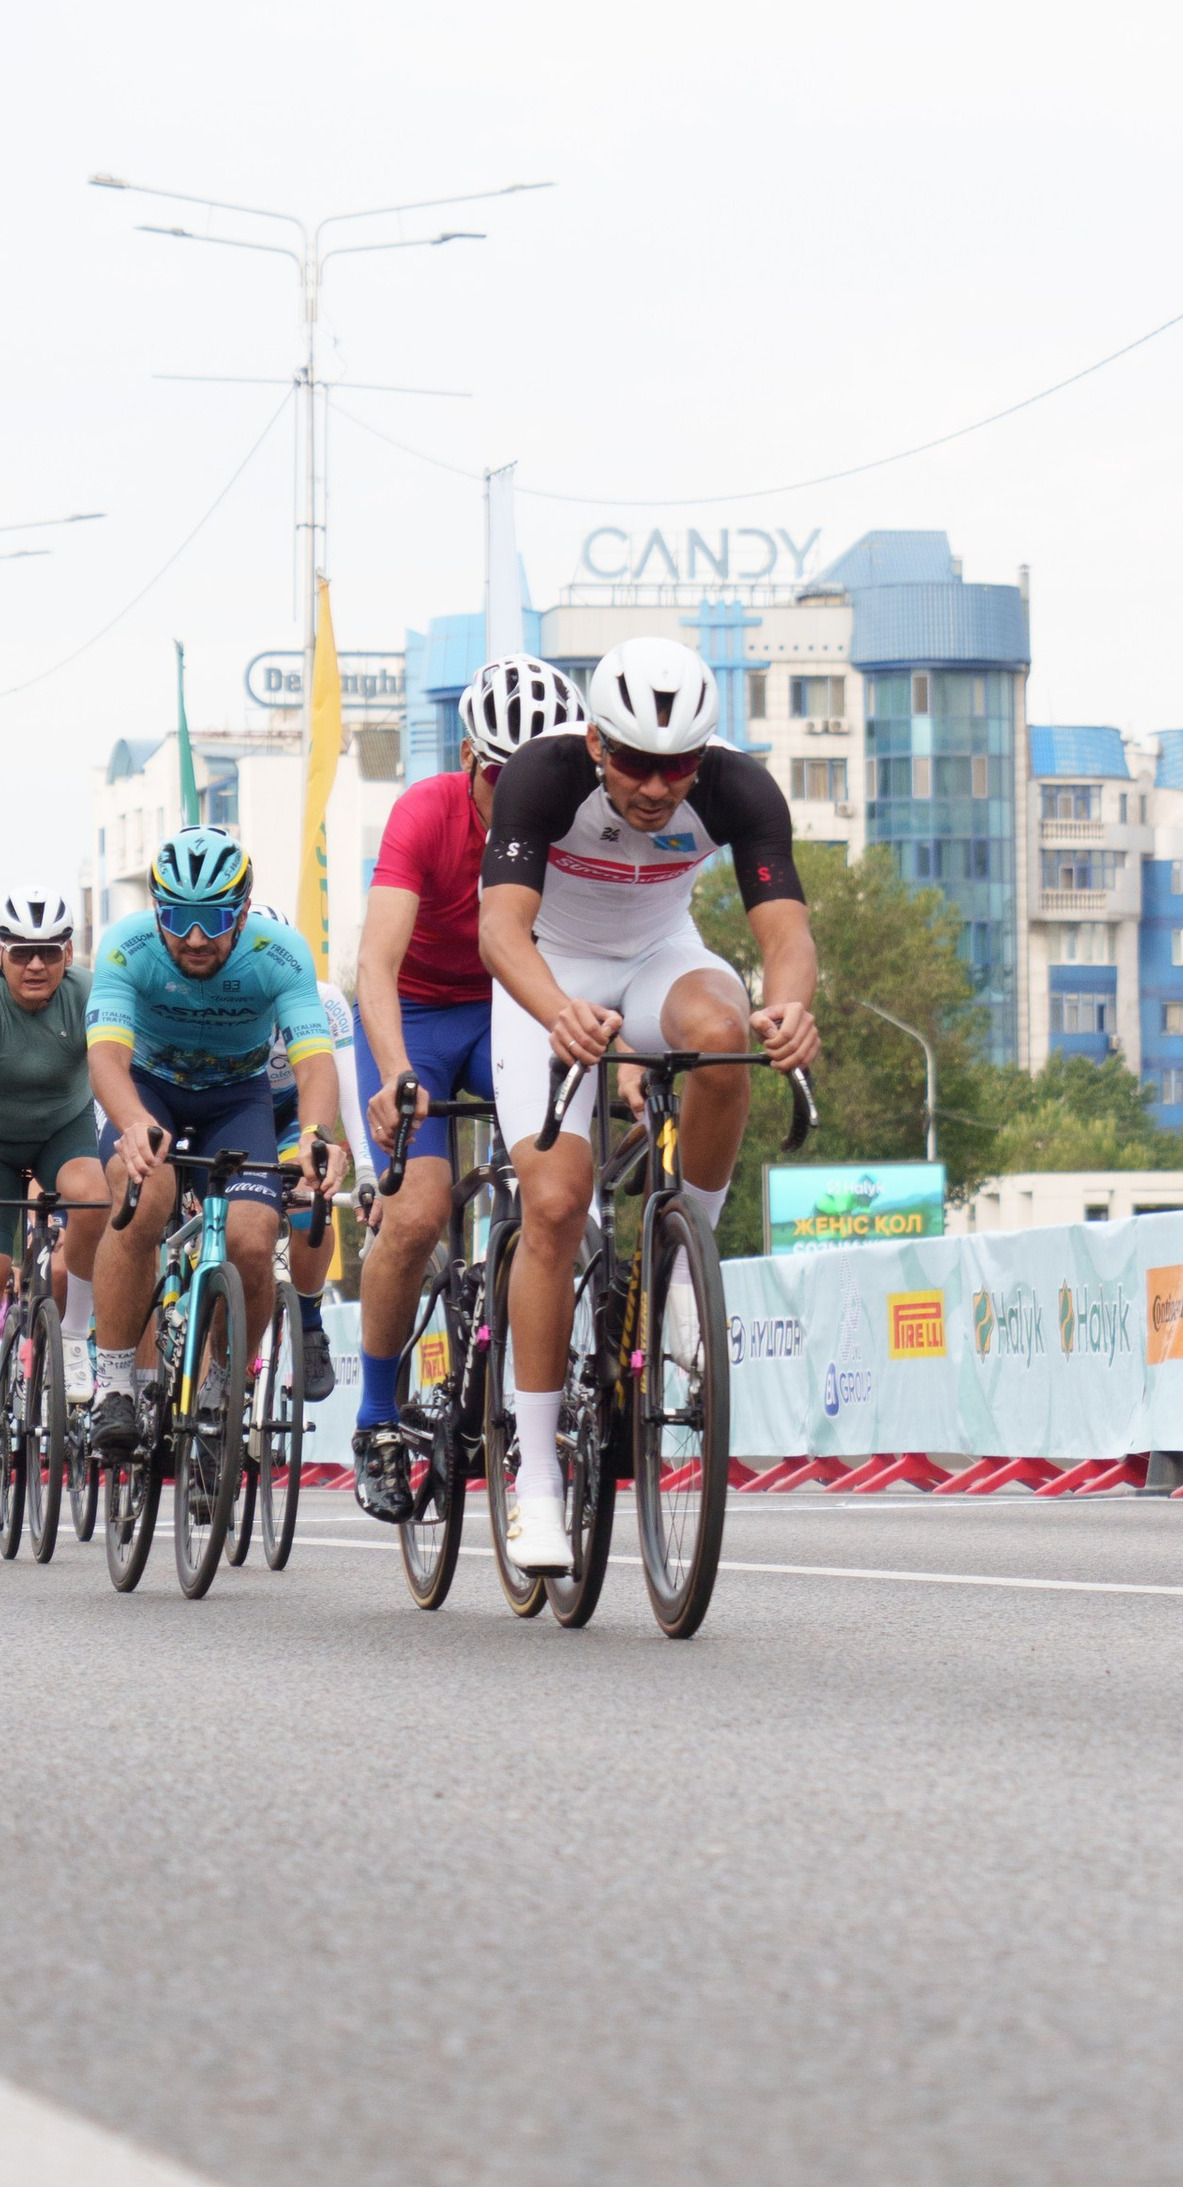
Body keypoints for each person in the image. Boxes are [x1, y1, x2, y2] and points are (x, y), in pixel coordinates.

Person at [478, 633, 819, 1573]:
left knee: (727, 1030)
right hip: (549, 972)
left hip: (661, 953)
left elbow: (786, 934)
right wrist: (556, 1010)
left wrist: (792, 1005)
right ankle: (537, 1483)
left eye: (678, 765)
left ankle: (679, 1267)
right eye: (634, 762)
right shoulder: (543, 776)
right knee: (554, 1206)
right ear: (596, 742)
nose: (658, 786)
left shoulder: (740, 788)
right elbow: (499, 932)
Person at [347, 657, 585, 1520]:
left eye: (538, 776)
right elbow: (375, 964)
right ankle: (377, 1417)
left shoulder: (577, 823)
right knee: (416, 1214)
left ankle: (553, 1385)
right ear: (466, 760)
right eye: (499, 775)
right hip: (417, 1014)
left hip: (508, 1009)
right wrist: (395, 1072)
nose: (520, 795)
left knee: (564, 1180)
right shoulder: (426, 812)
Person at [82, 829, 343, 1463]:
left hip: (236, 1099)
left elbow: (314, 1062)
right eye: (178, 919)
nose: (195, 938)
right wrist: (132, 1121)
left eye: (215, 920)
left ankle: (222, 1390)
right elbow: (107, 1057)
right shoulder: (126, 945)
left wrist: (314, 1136)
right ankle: (114, 1386)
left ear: (244, 912)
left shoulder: (281, 953)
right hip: (150, 1091)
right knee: (145, 1197)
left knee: (253, 1237)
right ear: (156, 911)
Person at [0, 891, 107, 1522]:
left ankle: (74, 1335)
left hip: (64, 1130)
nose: (35, 965)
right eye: (21, 953)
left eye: (49, 952)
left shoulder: (89, 993)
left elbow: (116, 1076)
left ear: (69, 953)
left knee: (94, 1192)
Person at [253, 908, 375, 1407]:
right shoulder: (221, 1001)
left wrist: (367, 1169)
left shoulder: (323, 1001)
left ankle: (308, 1325)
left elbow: (349, 1091)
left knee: (310, 1201)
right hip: (226, 1115)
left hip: (291, 1116)